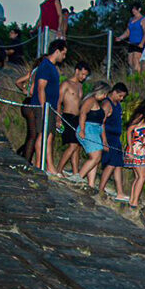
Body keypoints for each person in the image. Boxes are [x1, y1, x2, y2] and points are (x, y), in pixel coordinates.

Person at [29, 39, 68, 171]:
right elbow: (41, 87)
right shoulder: (46, 65)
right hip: (43, 106)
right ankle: (39, 165)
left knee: (49, 136)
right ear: (57, 51)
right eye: (63, 53)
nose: (64, 57)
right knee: (43, 135)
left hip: (51, 107)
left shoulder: (53, 67)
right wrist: (43, 107)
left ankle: (49, 166)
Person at [55, 62, 91, 178]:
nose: (83, 77)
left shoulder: (80, 86)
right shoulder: (66, 84)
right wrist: (58, 118)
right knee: (72, 145)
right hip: (67, 116)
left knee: (77, 146)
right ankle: (59, 169)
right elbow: (58, 101)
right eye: (82, 74)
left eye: (86, 75)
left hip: (77, 118)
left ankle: (75, 173)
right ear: (77, 71)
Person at [123, 94, 145, 207]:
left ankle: (132, 200)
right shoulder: (140, 116)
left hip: (140, 148)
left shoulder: (143, 117)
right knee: (142, 176)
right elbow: (130, 130)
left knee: (139, 177)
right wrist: (130, 148)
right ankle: (134, 202)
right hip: (137, 148)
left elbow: (139, 131)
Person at [77, 82, 113, 188]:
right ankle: (78, 177)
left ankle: (91, 184)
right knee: (95, 156)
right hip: (88, 129)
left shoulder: (98, 103)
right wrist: (82, 129)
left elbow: (101, 124)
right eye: (104, 94)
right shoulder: (90, 100)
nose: (105, 96)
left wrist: (104, 140)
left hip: (95, 131)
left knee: (97, 158)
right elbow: (83, 113)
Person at [98, 82, 130, 200]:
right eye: (120, 96)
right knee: (111, 164)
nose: (121, 99)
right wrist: (104, 141)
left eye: (123, 97)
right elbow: (101, 123)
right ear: (114, 92)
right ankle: (101, 188)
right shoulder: (107, 104)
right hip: (108, 137)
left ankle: (120, 192)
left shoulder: (118, 105)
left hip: (116, 138)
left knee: (118, 165)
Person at [116, 3, 145, 73]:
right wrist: (120, 38)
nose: (133, 10)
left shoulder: (143, 19)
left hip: (139, 42)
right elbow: (128, 32)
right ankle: (134, 74)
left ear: (139, 9)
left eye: (135, 9)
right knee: (130, 62)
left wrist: (142, 43)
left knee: (136, 61)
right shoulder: (131, 20)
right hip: (131, 42)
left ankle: (137, 76)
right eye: (133, 9)